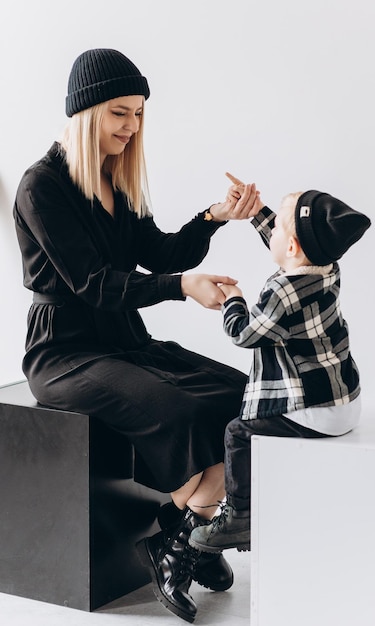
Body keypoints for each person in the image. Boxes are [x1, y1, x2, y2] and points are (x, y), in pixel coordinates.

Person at [12, 49, 262, 624]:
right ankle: (188, 542)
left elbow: (159, 254)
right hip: (65, 353)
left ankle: (181, 540)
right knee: (177, 410)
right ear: (85, 113)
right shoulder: (40, 186)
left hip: (124, 339)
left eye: (140, 114)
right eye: (120, 113)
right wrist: (180, 288)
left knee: (243, 398)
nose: (132, 127)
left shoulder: (115, 183)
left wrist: (215, 217)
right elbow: (96, 285)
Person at [189, 184, 371, 555]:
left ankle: (241, 518)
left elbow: (243, 334)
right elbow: (289, 242)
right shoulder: (326, 268)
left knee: (238, 432)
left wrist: (233, 301)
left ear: (291, 248)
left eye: (280, 227)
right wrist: (257, 212)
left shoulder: (284, 292)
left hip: (313, 409)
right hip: (343, 400)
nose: (273, 232)